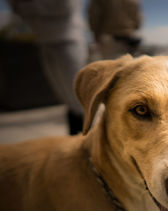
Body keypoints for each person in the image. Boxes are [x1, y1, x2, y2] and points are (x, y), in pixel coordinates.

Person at [7, 0, 142, 135]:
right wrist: (132, 27)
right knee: (123, 81)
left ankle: (106, 128)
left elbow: (93, 16)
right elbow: (138, 16)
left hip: (105, 38)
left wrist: (97, 35)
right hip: (127, 36)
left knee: (109, 83)